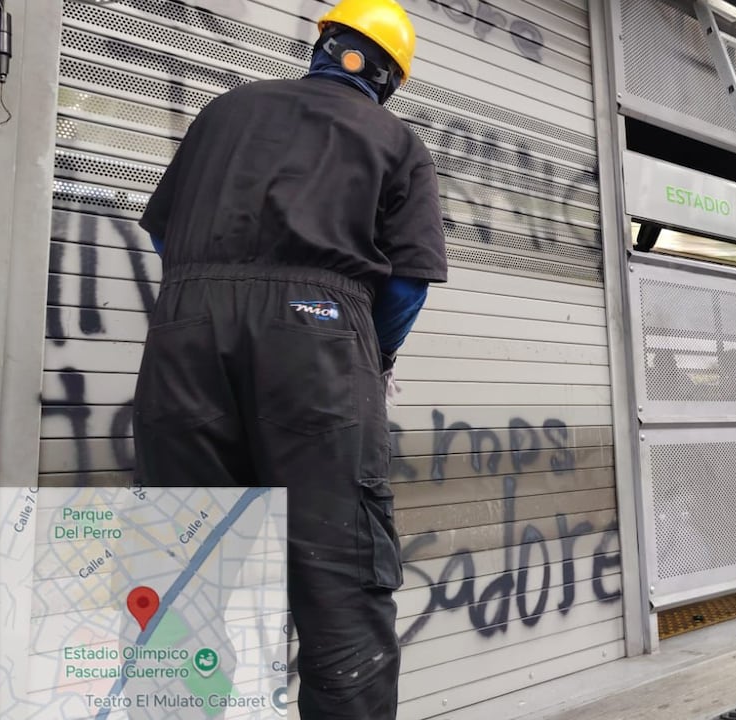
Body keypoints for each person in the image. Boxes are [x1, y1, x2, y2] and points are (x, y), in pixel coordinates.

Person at [131, 0, 446, 717]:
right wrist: (371, 356)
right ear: (392, 77)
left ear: (322, 42)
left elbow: (163, 237)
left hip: (185, 333)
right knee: (339, 576)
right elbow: (405, 284)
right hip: (320, 342)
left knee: (181, 572)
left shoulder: (225, 111)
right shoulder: (395, 142)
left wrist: (208, 293)